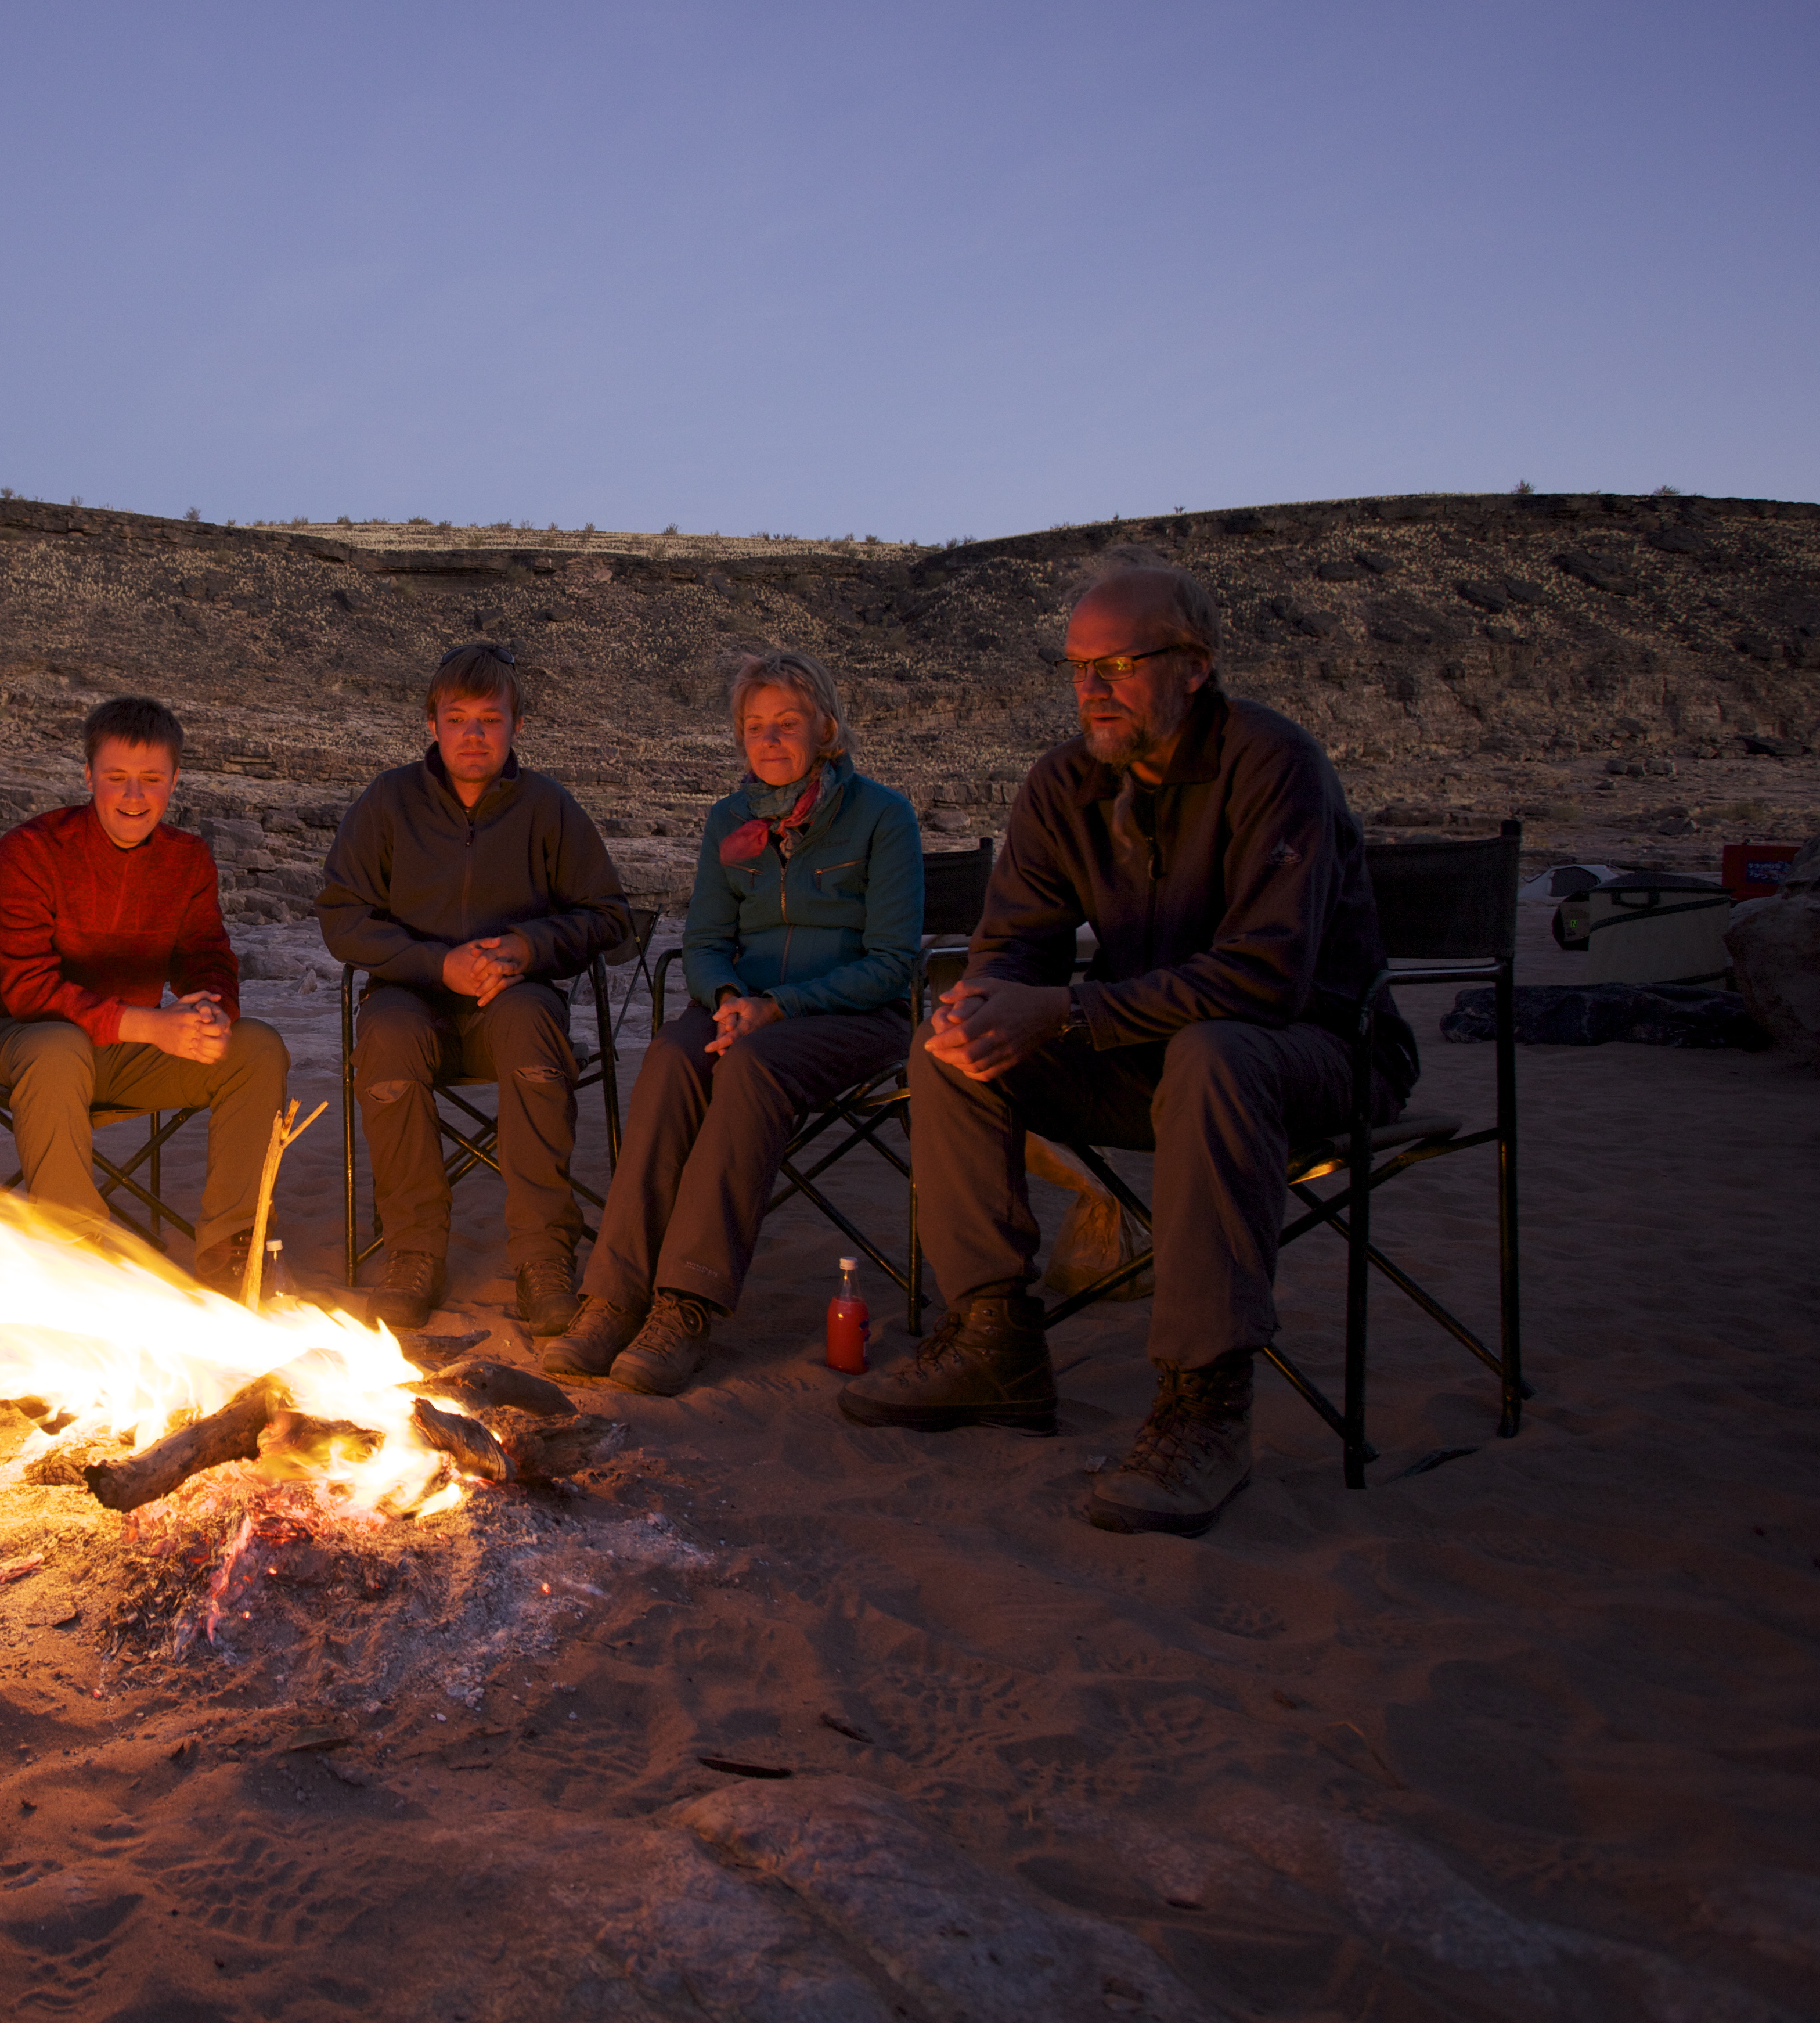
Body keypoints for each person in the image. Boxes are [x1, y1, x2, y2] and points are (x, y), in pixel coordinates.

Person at [845, 548, 1415, 1538]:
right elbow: (1011, 949)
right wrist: (981, 1004)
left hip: (1318, 1053)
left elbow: (1266, 980)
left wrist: (1067, 1011)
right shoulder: (1065, 784)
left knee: (1215, 1054)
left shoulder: (1274, 765)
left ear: (1194, 664)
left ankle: (1205, 1402)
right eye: (1077, 668)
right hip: (1153, 1057)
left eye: (1119, 664)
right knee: (948, 1050)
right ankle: (995, 1338)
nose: (1091, 690)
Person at [543, 651, 923, 1393]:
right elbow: (707, 943)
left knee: (751, 1067)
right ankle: (613, 1296)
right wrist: (726, 1001)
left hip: (851, 1017)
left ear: (827, 730)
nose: (771, 740)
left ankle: (685, 1305)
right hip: (741, 1009)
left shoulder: (884, 817)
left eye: (788, 724)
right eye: (755, 727)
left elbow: (892, 964)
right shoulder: (729, 820)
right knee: (670, 1059)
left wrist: (779, 1007)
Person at [318, 643, 632, 1324]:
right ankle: (414, 1251)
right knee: (388, 1031)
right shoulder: (388, 801)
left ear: (517, 726)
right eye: (457, 718)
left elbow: (609, 917)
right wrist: (436, 965)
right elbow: (342, 918)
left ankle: (544, 1254)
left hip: (510, 1004)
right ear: (431, 724)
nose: (474, 734)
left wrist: (527, 947)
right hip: (413, 998)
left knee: (530, 1020)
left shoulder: (549, 807)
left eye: (491, 719)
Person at [0, 695, 291, 1288]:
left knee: (257, 1048)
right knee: (56, 1050)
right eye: (117, 779)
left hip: (130, 1055)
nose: (133, 797)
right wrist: (151, 1025)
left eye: (151, 780)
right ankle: (77, 1265)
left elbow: (208, 955)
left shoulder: (186, 859)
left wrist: (210, 1012)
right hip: (29, 1044)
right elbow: (27, 990)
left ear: (174, 780)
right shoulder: (30, 851)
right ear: (88, 776)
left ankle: (235, 1257)